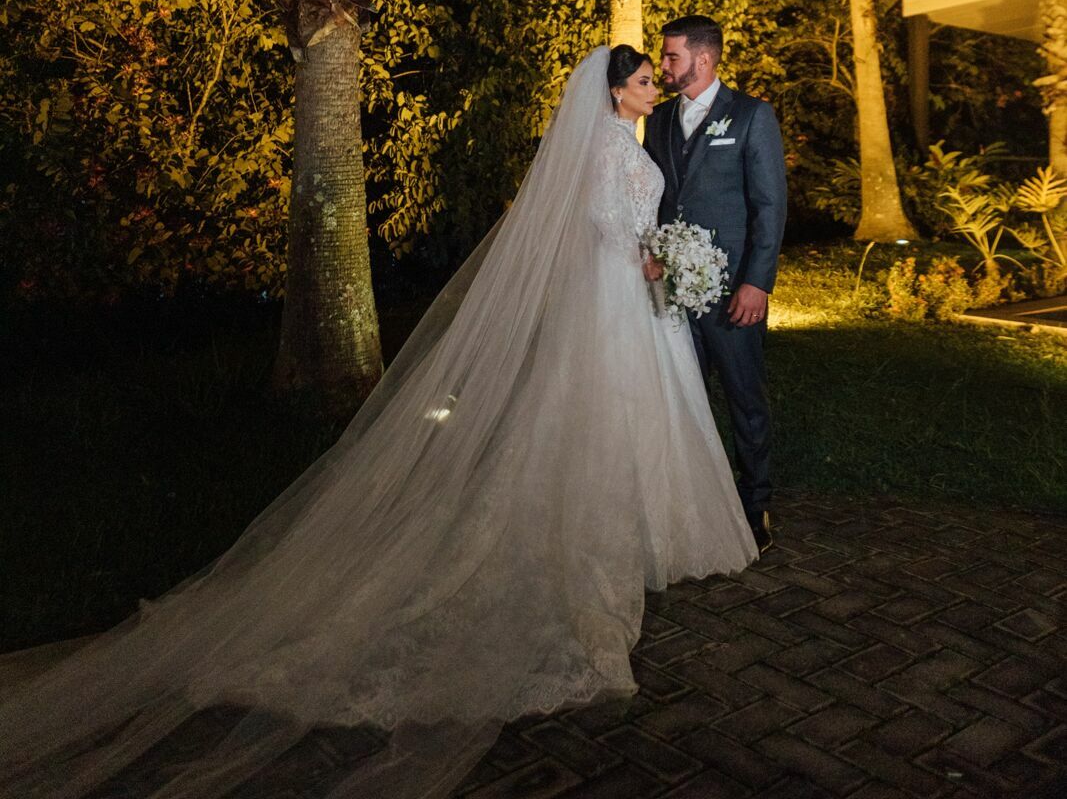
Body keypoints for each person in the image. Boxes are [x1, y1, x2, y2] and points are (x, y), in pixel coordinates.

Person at [0, 45, 755, 799]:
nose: (655, 87)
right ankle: (603, 522)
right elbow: (594, 220)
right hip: (617, 291)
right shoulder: (597, 145)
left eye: (656, 77)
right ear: (615, 89)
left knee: (646, 406)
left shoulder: (628, 140)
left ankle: (651, 519)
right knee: (606, 409)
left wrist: (655, 254)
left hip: (636, 292)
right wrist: (644, 254)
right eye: (645, 79)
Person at [644, 16, 788, 554]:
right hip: (674, 295)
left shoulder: (751, 116)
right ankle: (696, 507)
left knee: (744, 400)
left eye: (671, 57)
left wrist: (756, 282)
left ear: (703, 60)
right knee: (685, 399)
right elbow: (661, 200)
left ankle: (756, 508)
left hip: (732, 294)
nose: (663, 66)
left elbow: (770, 207)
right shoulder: (658, 121)